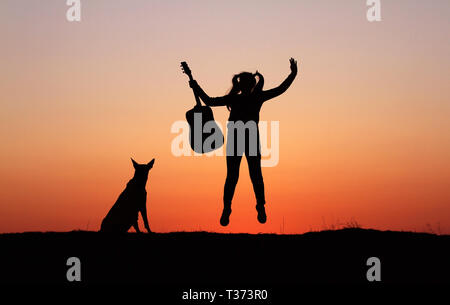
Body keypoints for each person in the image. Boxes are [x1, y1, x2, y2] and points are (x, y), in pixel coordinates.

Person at [189, 58, 298, 226]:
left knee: (245, 175)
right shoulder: (241, 98)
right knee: (243, 175)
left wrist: (293, 74)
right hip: (240, 138)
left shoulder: (248, 98)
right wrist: (195, 86)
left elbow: (280, 89)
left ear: (249, 84)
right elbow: (210, 101)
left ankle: (252, 207)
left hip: (245, 138)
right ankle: (234, 208)